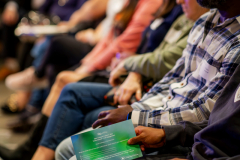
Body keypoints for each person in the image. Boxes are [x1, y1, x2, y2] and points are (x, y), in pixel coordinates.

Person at [54, 0, 240, 159]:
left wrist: (134, 116)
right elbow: (172, 79)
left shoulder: (237, 42)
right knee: (66, 148)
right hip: (159, 118)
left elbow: (204, 113)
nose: (178, 0)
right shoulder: (205, 21)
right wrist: (137, 109)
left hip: (179, 136)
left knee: (75, 154)